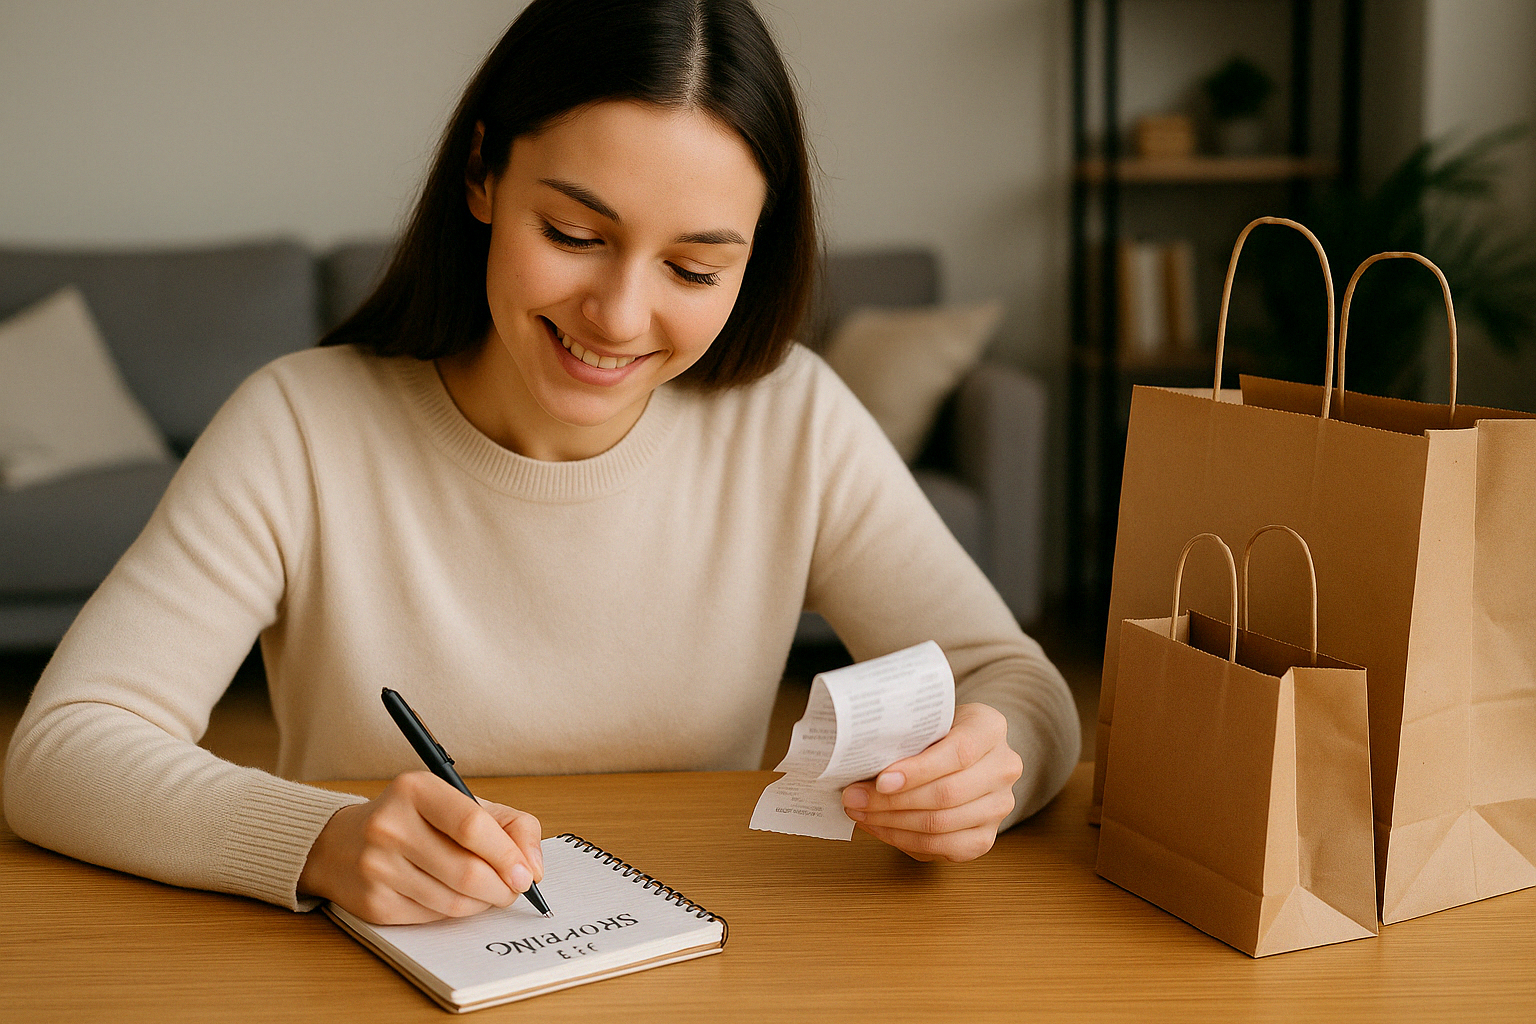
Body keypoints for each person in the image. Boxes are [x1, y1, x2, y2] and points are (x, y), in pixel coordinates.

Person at [4, 0, 1079, 926]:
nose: (618, 316)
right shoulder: (299, 427)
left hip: (699, 946)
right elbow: (63, 749)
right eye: (573, 233)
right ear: (481, 174)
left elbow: (1017, 682)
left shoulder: (788, 417)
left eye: (696, 266)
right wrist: (320, 839)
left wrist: (987, 765)